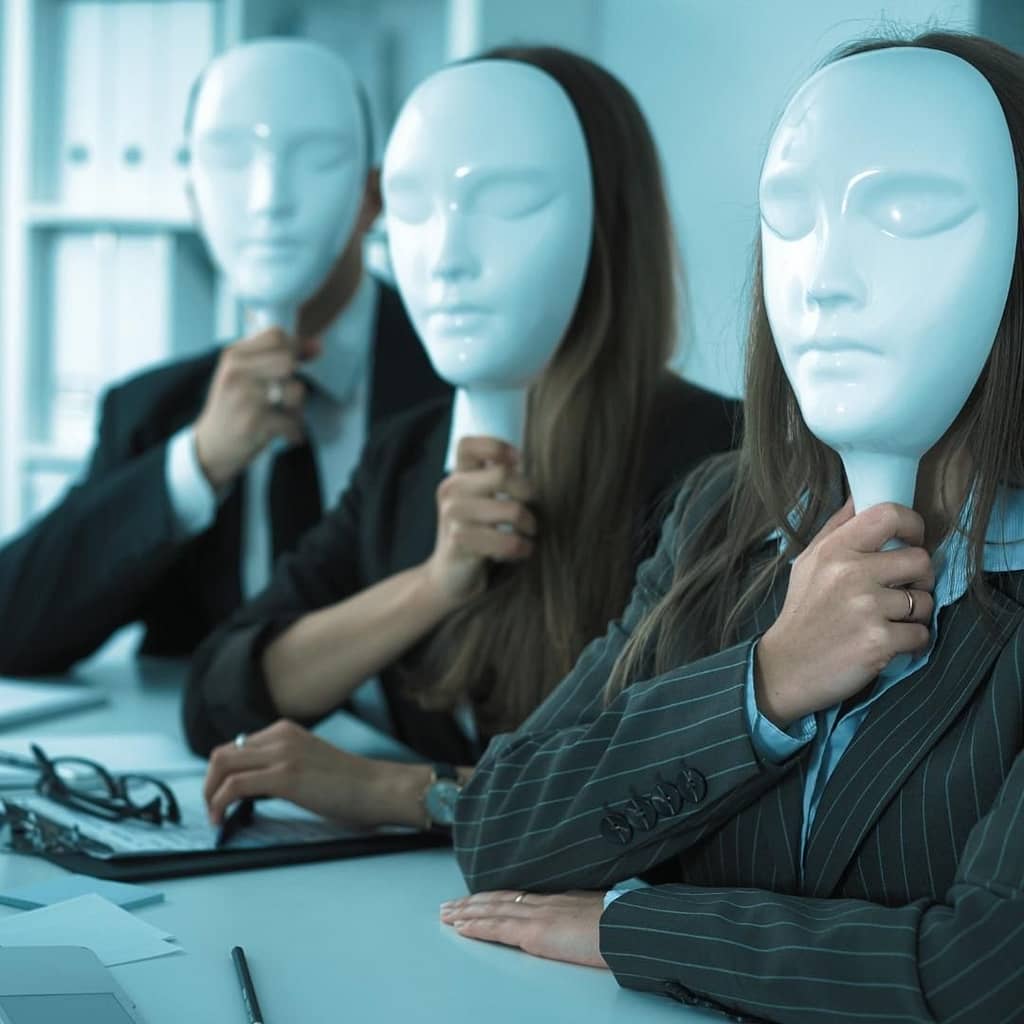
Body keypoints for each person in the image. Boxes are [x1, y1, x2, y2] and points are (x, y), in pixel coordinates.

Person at [444, 32, 1024, 1024]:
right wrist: (763, 685)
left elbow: (982, 973)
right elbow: (501, 823)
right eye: (789, 219)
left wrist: (632, 928)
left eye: (907, 213)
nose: (823, 278)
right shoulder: (723, 508)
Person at [183, 46, 740, 833]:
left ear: (604, 225)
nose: (446, 257)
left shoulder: (723, 463)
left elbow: (670, 783)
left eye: (507, 202)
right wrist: (431, 586)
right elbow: (219, 694)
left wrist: (395, 791)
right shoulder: (407, 456)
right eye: (413, 205)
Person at [0, 47, 447, 676]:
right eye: (232, 161)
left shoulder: (458, 379)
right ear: (194, 198)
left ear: (371, 196)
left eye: (317, 159)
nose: (269, 199)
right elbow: (12, 624)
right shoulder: (153, 411)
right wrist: (196, 464)